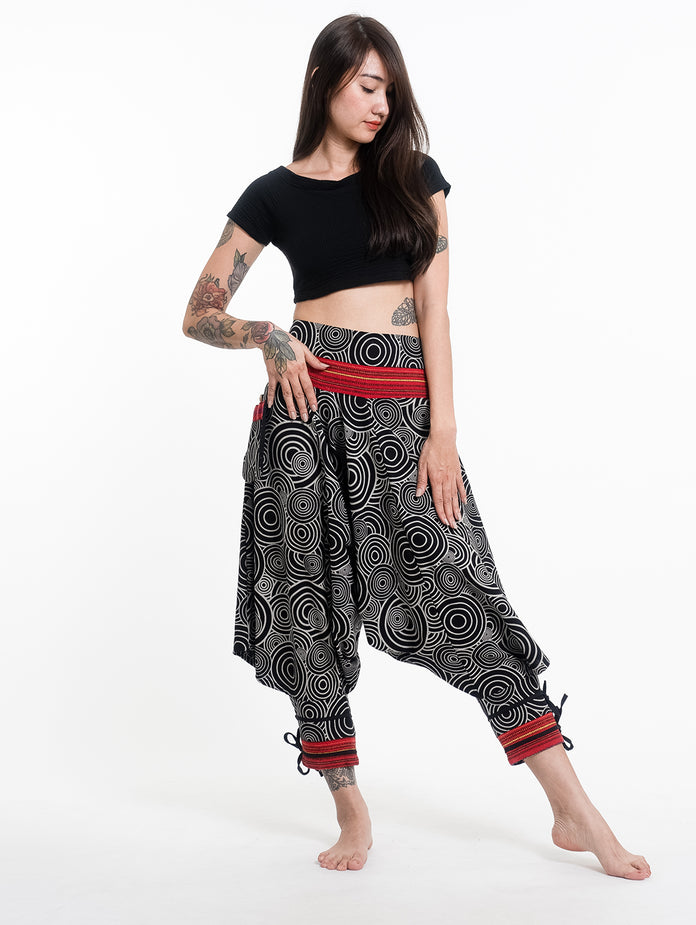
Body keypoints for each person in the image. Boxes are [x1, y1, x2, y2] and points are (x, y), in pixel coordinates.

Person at [182, 13, 651, 881]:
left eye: (389, 90)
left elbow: (436, 311)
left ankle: (573, 809)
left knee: (466, 595)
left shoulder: (413, 177)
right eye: (367, 85)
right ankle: (349, 804)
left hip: (403, 414)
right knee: (309, 605)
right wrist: (267, 336)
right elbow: (198, 312)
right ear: (323, 81)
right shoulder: (272, 194)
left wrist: (444, 432)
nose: (380, 103)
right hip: (304, 414)